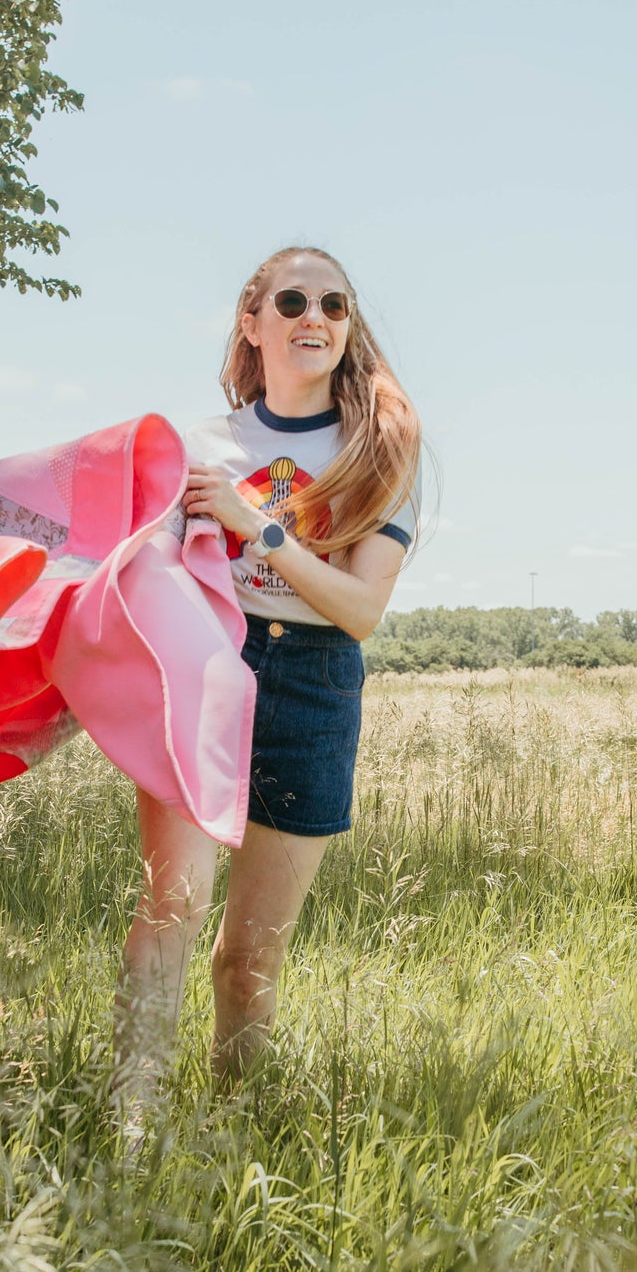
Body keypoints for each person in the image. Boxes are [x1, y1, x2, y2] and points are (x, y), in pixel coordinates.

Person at [115, 245, 422, 1093]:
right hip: (207, 666)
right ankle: (129, 1126)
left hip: (314, 686)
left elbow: (358, 610)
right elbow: (148, 571)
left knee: (246, 958)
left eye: (333, 305)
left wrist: (259, 525)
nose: (313, 318)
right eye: (290, 302)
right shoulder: (198, 446)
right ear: (252, 325)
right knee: (168, 910)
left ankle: (229, 1129)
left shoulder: (377, 451)